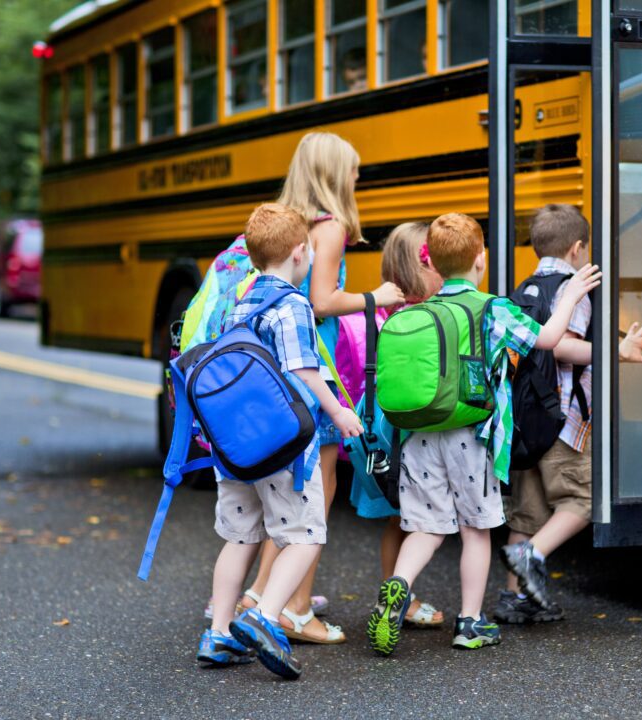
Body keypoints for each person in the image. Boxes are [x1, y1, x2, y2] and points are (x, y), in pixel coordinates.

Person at [366, 213, 601, 654]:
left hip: (419, 436)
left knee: (426, 529)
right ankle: (470, 623)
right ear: (481, 259)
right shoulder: (493, 308)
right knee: (475, 530)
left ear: (432, 264)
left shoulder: (421, 310)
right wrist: (568, 296)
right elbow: (549, 339)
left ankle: (398, 585)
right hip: (471, 437)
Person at [237, 132, 404, 644]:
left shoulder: (287, 220)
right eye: (353, 171)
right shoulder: (328, 228)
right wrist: (375, 295)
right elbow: (323, 300)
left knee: (290, 494)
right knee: (317, 491)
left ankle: (260, 594)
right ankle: (296, 608)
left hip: (277, 371)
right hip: (316, 361)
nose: (357, 179)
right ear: (335, 174)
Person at [197, 203, 363, 679]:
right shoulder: (292, 304)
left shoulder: (240, 300)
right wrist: (339, 411)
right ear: (299, 252)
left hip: (234, 445)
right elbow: (302, 370)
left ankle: (221, 632)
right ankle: (265, 615)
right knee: (308, 534)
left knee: (240, 537)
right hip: (283, 447)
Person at [495, 204, 642, 624]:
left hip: (525, 420)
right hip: (562, 422)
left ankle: (515, 599)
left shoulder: (526, 288)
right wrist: (616, 351)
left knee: (528, 514)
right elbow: (563, 345)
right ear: (578, 247)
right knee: (583, 498)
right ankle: (529, 556)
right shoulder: (576, 286)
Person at [343, 222, 445, 626]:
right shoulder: (423, 317)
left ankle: (393, 593)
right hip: (409, 427)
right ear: (423, 267)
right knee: (417, 518)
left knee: (395, 518)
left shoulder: (388, 312)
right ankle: (403, 596)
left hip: (382, 423)